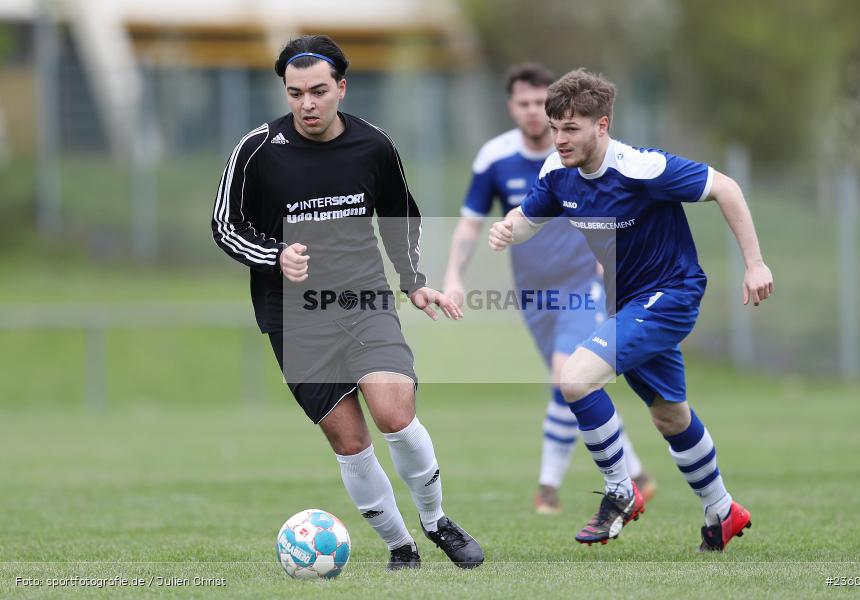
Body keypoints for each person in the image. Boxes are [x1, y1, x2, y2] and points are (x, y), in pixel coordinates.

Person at [211, 34, 483, 569]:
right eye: (294, 94)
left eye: (317, 91)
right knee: (349, 439)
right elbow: (225, 225)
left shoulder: (374, 145)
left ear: (341, 87)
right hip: (293, 318)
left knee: (394, 414)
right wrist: (274, 254)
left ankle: (436, 522)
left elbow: (401, 215)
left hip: (364, 302)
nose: (306, 104)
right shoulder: (257, 150)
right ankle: (400, 549)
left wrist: (412, 279)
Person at [489, 68, 773, 551]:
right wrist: (507, 230)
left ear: (602, 125)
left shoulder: (642, 168)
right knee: (670, 416)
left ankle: (621, 492)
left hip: (672, 294)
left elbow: (726, 187)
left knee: (575, 378)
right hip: (628, 304)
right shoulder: (557, 173)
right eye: (555, 127)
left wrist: (755, 263)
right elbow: (527, 219)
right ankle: (722, 510)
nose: (559, 138)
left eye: (571, 128)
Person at [443, 63, 655, 515]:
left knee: (567, 379)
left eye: (542, 104)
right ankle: (635, 474)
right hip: (532, 295)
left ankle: (549, 488)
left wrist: (610, 264)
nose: (534, 113)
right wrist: (454, 276)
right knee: (572, 386)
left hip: (582, 283)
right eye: (524, 103)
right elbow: (469, 225)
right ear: (511, 107)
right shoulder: (494, 158)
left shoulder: (579, 154)